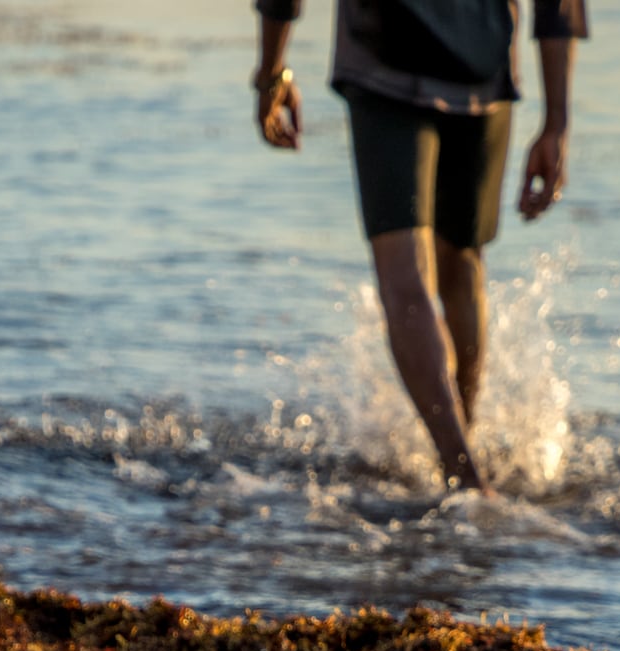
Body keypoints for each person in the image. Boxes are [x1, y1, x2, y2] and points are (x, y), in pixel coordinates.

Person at [251, 0, 588, 495]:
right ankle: (464, 459)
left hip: (385, 64)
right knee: (461, 266)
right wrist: (557, 120)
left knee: (406, 278)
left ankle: (461, 471)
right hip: (482, 67)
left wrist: (270, 71)